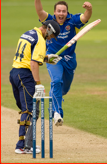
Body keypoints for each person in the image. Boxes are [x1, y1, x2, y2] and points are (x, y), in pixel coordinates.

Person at [34, 0, 92, 126]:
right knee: (56, 81)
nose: (61, 14)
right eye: (58, 11)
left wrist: (89, 9)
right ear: (54, 12)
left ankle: (57, 96)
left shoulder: (73, 21)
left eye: (63, 11)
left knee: (63, 89)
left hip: (69, 59)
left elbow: (85, 18)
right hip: (52, 58)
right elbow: (40, 11)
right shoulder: (49, 20)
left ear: (67, 13)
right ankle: (57, 113)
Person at [9, 20, 61, 154]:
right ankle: (22, 146)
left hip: (15, 73)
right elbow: (33, 63)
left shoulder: (28, 33)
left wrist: (46, 58)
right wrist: (38, 84)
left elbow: (29, 56)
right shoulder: (40, 40)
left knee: (27, 110)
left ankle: (27, 143)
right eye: (51, 36)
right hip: (25, 75)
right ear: (48, 30)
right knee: (30, 111)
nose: (50, 39)